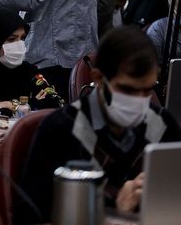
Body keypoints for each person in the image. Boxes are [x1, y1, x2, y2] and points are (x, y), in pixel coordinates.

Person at [15, 26, 181, 224]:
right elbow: (28, 217)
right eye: (127, 90)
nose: (138, 101)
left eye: (147, 91)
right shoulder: (60, 129)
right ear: (99, 78)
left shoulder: (163, 125)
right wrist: (117, 212)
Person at [0, 8, 64, 121]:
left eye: (22, 38)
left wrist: (7, 105)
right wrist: (26, 105)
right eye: (11, 39)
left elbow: (57, 104)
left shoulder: (28, 71)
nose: (19, 45)